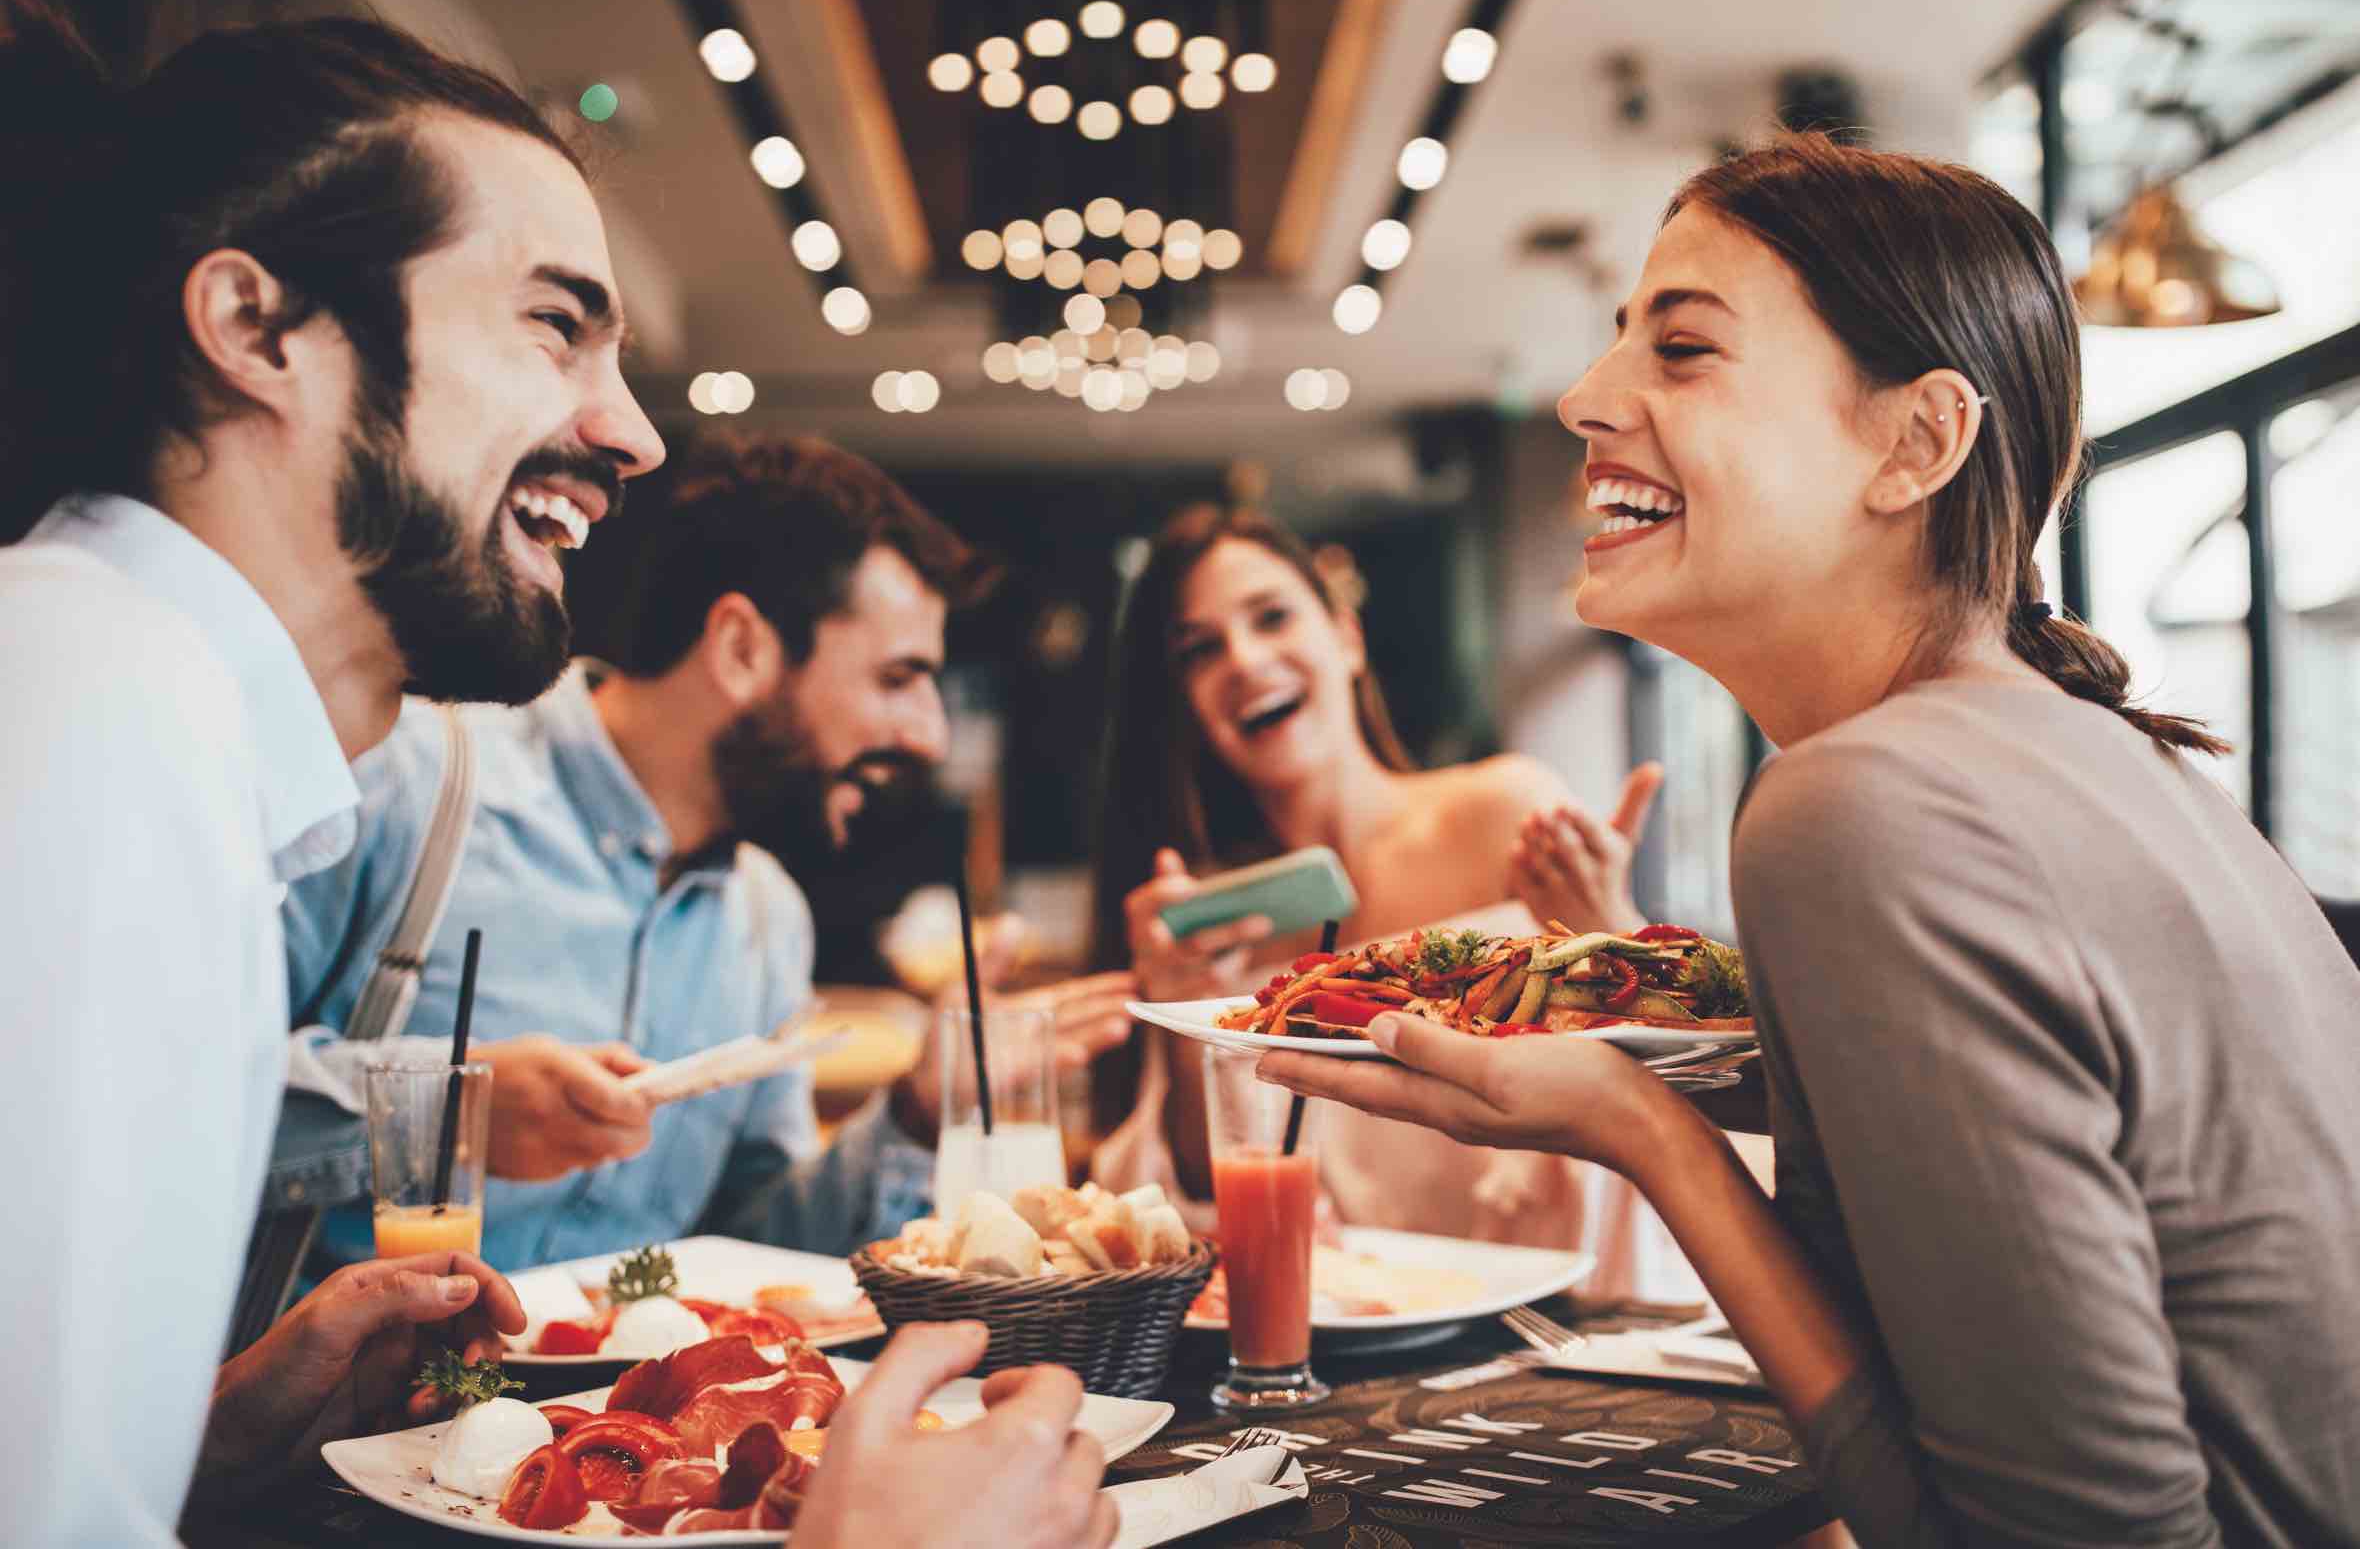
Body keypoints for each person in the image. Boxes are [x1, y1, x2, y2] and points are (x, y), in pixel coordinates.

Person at [0, 6, 1104, 1545]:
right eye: (550, 325)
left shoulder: (145, 711)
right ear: (258, 331)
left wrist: (211, 1447)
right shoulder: (93, 719)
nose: (633, 437)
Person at [1259, 133, 2360, 1545]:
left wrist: (1642, 1127)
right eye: (1616, 346)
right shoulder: (2113, 760)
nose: (1589, 402)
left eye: (1684, 350)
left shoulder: (1860, 802)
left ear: (1914, 445)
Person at [286, 434, 1135, 1271]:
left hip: (621, 1410)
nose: (930, 733)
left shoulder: (767, 917)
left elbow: (758, 1252)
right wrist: (449, 1113)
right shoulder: (405, 782)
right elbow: (177, 1093)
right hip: (352, 1408)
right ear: (740, 649)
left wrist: (916, 1112)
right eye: (897, 678)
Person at [1086, 505, 1692, 1296]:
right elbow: (1209, 1195)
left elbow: (1655, 1085)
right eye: (1200, 651)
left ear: (1346, 637)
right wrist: (1180, 1014)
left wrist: (1613, 933)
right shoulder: (1218, 925)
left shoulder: (1503, 816)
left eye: (1271, 618)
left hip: (1563, 1306)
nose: (1243, 659)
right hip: (1343, 1339)